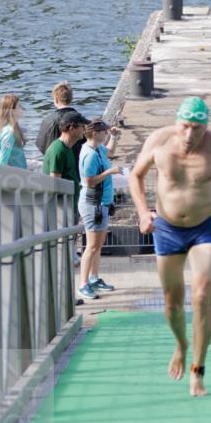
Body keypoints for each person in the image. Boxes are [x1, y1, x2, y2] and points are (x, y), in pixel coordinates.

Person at [129, 96, 211, 397]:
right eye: (184, 126)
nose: (189, 135)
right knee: (172, 300)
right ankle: (181, 345)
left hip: (206, 228)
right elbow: (136, 176)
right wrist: (143, 212)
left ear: (206, 126)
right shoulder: (159, 140)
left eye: (196, 128)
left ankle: (198, 370)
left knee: (202, 292)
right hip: (167, 228)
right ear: (176, 122)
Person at [77, 118, 123, 301]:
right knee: (91, 246)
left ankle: (94, 278)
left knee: (98, 245)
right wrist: (109, 172)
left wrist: (114, 137)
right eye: (104, 132)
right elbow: (88, 181)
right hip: (92, 204)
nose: (106, 134)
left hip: (102, 204)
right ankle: (83, 284)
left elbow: (110, 152)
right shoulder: (89, 154)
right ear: (94, 134)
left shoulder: (98, 149)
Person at [42, 110, 89, 264]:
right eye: (82, 126)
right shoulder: (58, 150)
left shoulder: (68, 148)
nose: (84, 130)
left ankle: (70, 256)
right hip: (62, 207)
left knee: (73, 232)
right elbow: (54, 182)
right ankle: (65, 259)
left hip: (71, 202)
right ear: (71, 128)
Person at [36, 81, 86, 169]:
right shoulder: (80, 120)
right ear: (71, 98)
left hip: (53, 166)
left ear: (55, 99)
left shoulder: (47, 121)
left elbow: (41, 146)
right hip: (75, 167)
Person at [0, 94, 27, 168]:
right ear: (12, 111)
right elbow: (1, 163)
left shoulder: (11, 128)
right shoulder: (9, 133)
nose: (23, 108)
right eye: (19, 106)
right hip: (16, 176)